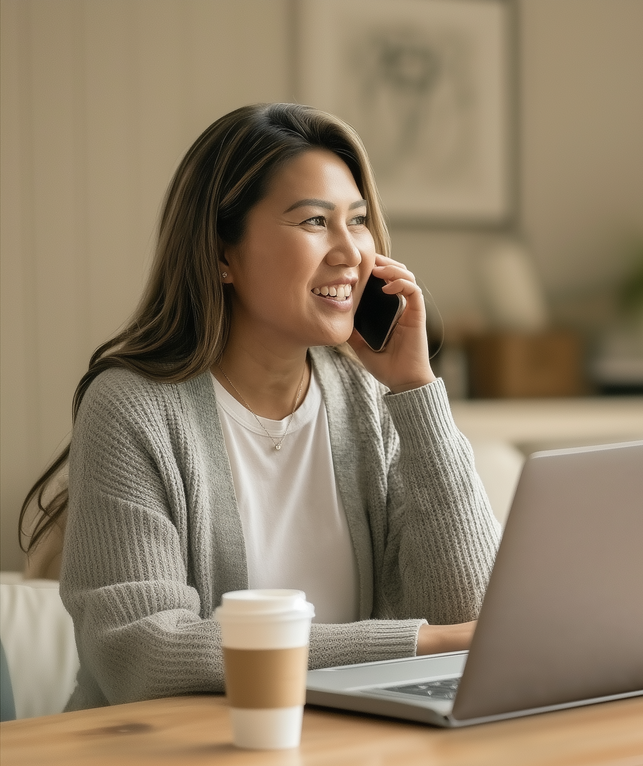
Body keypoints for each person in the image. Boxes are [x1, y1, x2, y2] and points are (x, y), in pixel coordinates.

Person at [17, 103, 500, 710]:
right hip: (160, 757)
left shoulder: (372, 399)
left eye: (357, 221)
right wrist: (412, 645)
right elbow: (141, 654)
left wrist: (415, 389)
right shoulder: (131, 409)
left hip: (344, 751)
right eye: (314, 221)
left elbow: (470, 615)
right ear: (222, 253)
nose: (351, 252)